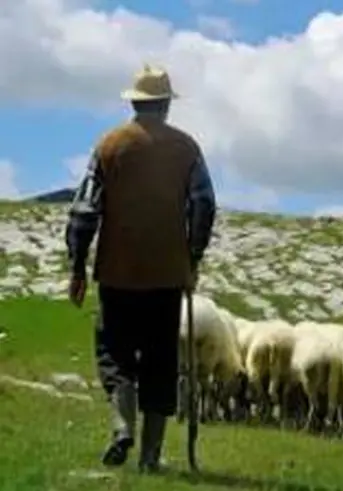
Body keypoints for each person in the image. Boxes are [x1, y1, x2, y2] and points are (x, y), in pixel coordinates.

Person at [64, 64, 217, 473]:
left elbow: (84, 210)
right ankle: (150, 457)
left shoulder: (110, 145)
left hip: (117, 272)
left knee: (114, 355)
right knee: (160, 361)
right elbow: (203, 204)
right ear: (166, 105)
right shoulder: (187, 149)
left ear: (134, 102)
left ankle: (120, 427)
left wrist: (77, 267)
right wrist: (193, 256)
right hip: (167, 275)